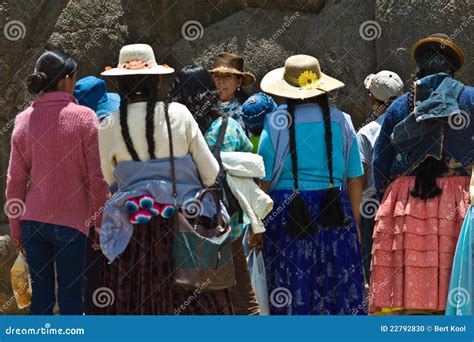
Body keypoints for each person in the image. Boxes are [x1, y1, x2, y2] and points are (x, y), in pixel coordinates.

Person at [96, 44, 233, 314]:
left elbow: (108, 177)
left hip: (135, 231)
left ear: (119, 83)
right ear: (158, 79)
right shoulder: (179, 114)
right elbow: (210, 173)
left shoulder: (108, 124)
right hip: (184, 226)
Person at [370, 34, 474, 314]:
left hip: (407, 202)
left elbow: (380, 159)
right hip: (457, 200)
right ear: (453, 68)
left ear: (419, 67)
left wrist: (387, 194)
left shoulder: (399, 105)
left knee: (408, 292)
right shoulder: (471, 99)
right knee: (458, 279)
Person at [258, 54, 366, 315]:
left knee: (292, 286)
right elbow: (354, 179)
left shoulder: (275, 121)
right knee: (336, 288)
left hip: (287, 214)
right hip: (335, 213)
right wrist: (356, 226)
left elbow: (262, 178)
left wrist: (255, 223)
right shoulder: (342, 120)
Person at [6, 51, 109, 315]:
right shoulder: (85, 118)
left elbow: (15, 182)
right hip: (71, 224)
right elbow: (97, 179)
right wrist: (100, 224)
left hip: (32, 222)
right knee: (72, 298)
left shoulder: (23, 120)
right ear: (65, 80)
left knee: (40, 299)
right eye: (73, 77)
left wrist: (16, 228)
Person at [170, 64, 261, 315]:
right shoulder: (229, 127)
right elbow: (247, 169)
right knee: (242, 298)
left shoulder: (170, 130)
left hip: (180, 225)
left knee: (186, 300)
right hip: (224, 224)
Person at [73, 75, 120, 315]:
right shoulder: (108, 128)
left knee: (93, 286)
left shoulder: (77, 132)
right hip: (106, 220)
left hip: (91, 222)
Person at [357, 70, 404, 282]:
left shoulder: (367, 132)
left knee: (374, 268)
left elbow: (360, 177)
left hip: (373, 206)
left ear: (372, 100)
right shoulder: (414, 125)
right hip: (406, 204)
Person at [209, 52, 255, 131]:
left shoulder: (247, 113)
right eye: (216, 76)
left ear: (239, 82)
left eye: (227, 76)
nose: (221, 81)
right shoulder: (205, 109)